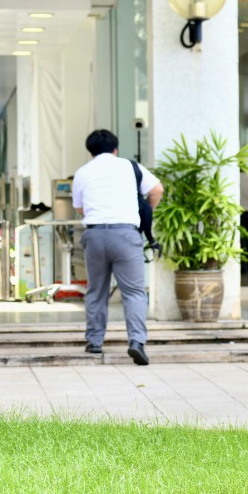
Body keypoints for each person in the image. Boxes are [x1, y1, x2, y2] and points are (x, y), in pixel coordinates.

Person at [72, 129, 163, 366]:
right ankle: (136, 342)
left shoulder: (82, 172)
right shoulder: (130, 167)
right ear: (115, 149)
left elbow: (80, 208)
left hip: (95, 235)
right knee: (133, 293)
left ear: (90, 151)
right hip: (126, 234)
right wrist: (146, 211)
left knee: (96, 291)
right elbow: (157, 190)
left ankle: (94, 341)